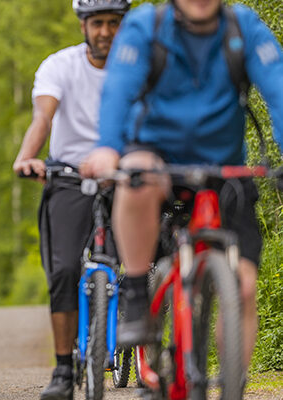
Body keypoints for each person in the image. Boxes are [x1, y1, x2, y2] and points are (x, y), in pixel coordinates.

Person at [81, 0, 283, 379]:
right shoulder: (146, 26)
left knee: (242, 287)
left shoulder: (244, 26)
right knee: (137, 175)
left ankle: (231, 383)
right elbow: (119, 90)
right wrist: (108, 147)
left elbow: (279, 88)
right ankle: (138, 291)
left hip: (224, 168)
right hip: (156, 155)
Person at [12, 1, 130, 398]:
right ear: (83, 25)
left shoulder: (138, 65)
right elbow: (43, 118)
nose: (106, 32)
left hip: (125, 175)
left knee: (142, 266)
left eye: (114, 23)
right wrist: (28, 156)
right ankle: (63, 369)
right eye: (98, 23)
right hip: (68, 175)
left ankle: (149, 351)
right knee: (62, 271)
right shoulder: (59, 65)